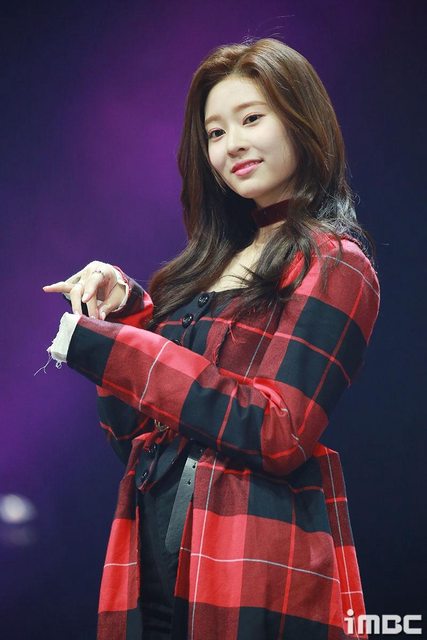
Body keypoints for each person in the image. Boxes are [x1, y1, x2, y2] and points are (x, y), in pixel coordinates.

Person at [43, 38, 380, 640]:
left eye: (252, 119)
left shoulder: (334, 262)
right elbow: (134, 441)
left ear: (301, 120)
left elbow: (277, 431)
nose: (232, 145)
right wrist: (122, 315)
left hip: (246, 566)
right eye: (215, 133)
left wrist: (115, 350)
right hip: (149, 564)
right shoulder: (199, 271)